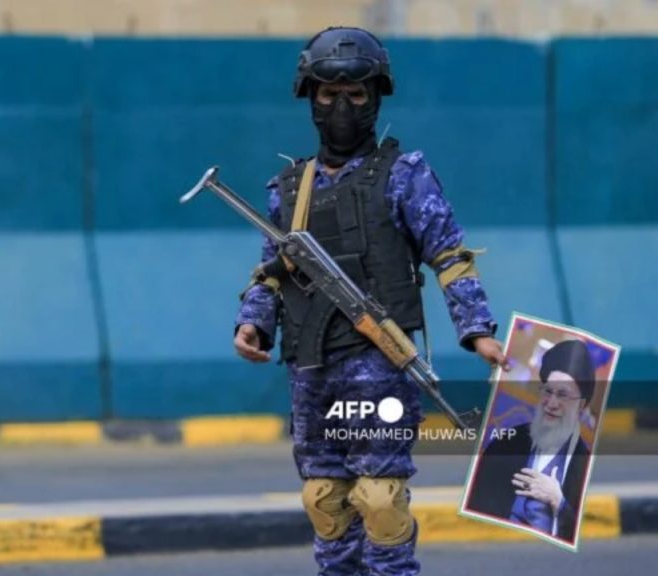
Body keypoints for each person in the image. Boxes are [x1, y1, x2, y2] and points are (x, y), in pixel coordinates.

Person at [233, 27, 507, 576]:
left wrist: (477, 330)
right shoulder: (289, 188)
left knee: (380, 500)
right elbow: (271, 272)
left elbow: (449, 255)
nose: (341, 107)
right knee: (324, 500)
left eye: (356, 94)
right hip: (311, 366)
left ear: (376, 97)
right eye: (329, 94)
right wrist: (253, 325)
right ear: (310, 98)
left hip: (379, 364)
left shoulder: (404, 177)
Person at [465, 339, 595, 542]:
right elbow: (477, 515)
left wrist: (558, 501)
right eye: (548, 391)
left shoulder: (584, 461)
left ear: (581, 405)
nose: (552, 403)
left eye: (563, 395)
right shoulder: (504, 445)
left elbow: (588, 528)